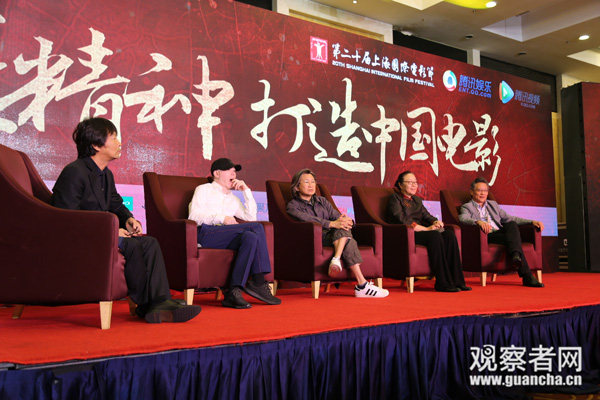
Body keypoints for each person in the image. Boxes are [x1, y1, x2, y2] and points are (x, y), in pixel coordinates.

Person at [52, 117, 202, 323]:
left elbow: (115, 205)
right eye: (113, 138)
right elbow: (65, 217)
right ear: (96, 145)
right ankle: (147, 305)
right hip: (81, 237)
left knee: (149, 242)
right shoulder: (75, 172)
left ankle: (161, 301)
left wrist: (129, 219)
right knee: (131, 244)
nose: (119, 142)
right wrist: (112, 232)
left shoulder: (106, 175)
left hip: (102, 234)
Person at [188, 158, 281, 309]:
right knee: (256, 228)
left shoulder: (233, 199)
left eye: (235, 171)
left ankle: (234, 291)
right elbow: (193, 217)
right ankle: (259, 282)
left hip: (225, 237)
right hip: (205, 234)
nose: (234, 174)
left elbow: (251, 218)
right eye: (229, 170)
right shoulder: (204, 189)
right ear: (216, 173)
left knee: (250, 237)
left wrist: (246, 191)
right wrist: (222, 218)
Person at [286, 169, 389, 298]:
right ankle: (361, 286)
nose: (311, 185)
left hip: (333, 236)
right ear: (296, 187)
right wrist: (331, 224)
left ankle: (338, 261)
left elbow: (338, 217)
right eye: (306, 182)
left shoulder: (322, 201)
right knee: (346, 237)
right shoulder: (293, 206)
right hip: (314, 238)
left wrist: (347, 221)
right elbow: (307, 219)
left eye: (313, 182)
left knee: (343, 229)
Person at [386, 171, 471, 293]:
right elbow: (401, 219)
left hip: (421, 232)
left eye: (415, 182)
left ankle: (457, 281)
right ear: (400, 184)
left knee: (449, 235)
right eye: (410, 182)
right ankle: (443, 283)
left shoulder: (417, 200)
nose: (414, 185)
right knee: (434, 235)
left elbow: (426, 215)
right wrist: (426, 229)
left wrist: (435, 221)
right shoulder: (395, 198)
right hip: (405, 234)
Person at [458, 177, 545, 288]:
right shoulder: (467, 207)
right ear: (471, 192)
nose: (482, 193)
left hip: (499, 232)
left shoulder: (492, 205)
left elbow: (510, 218)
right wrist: (478, 222)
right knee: (513, 241)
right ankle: (526, 274)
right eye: (479, 190)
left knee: (511, 224)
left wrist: (531, 221)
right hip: (486, 235)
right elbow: (463, 218)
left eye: (485, 190)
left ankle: (516, 257)